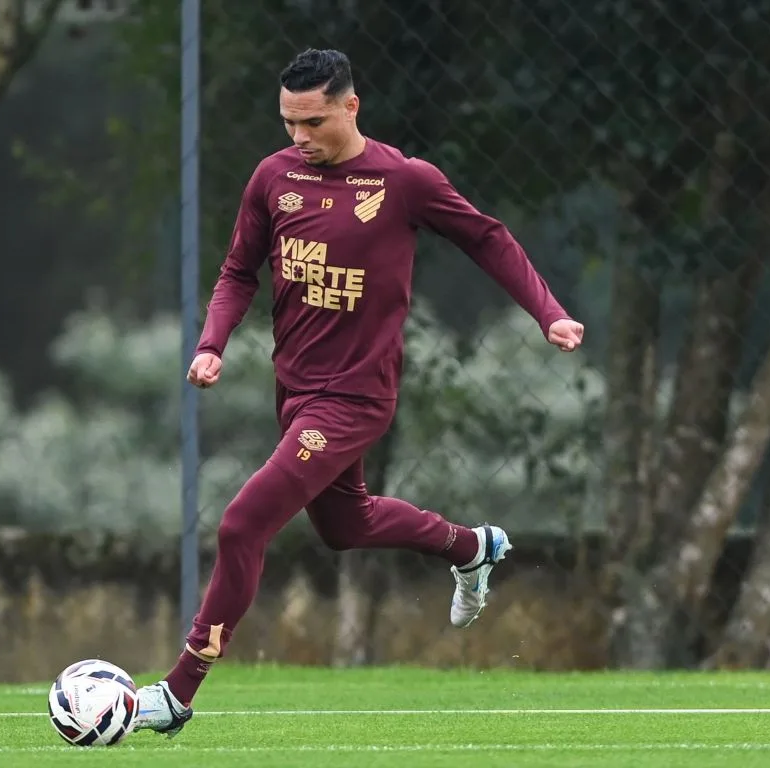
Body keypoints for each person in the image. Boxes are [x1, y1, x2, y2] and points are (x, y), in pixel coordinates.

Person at [131, 48, 584, 737]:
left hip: (355, 398)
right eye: (288, 122)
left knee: (241, 525)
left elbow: (487, 239)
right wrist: (212, 343)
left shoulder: (404, 181)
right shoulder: (273, 177)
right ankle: (471, 547)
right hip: (296, 391)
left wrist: (548, 313)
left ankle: (177, 693)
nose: (299, 137)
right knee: (345, 527)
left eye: (312, 122)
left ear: (351, 106)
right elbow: (238, 271)